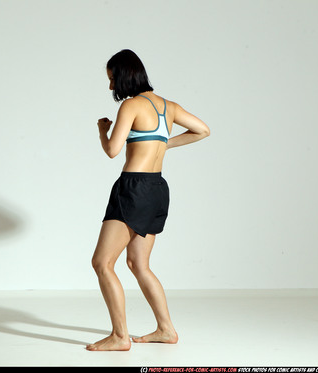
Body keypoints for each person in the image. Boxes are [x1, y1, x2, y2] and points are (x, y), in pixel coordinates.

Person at [86, 49, 210, 351]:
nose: (112, 87)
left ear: (125, 76)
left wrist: (103, 132)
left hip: (133, 187)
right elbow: (202, 130)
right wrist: (163, 144)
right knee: (138, 264)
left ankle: (119, 336)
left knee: (102, 263)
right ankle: (166, 330)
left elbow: (113, 150)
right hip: (157, 187)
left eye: (113, 79)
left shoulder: (131, 105)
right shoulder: (169, 106)